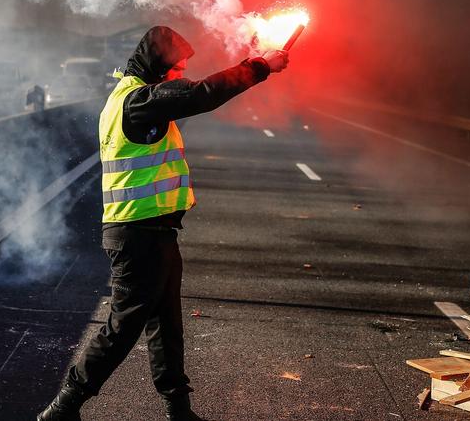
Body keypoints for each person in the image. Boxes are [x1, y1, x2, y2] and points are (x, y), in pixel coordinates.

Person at [37, 26, 289, 421]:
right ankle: (64, 406)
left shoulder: (138, 98)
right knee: (123, 328)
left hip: (155, 233)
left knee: (166, 327)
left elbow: (192, 94)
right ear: (158, 66)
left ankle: (179, 411)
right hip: (137, 234)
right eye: (176, 70)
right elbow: (200, 93)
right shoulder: (138, 101)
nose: (180, 77)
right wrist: (259, 66)